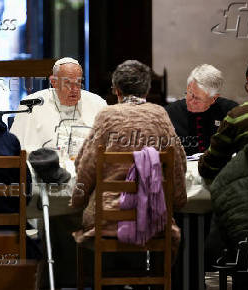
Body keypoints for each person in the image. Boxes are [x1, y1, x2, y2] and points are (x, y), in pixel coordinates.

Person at [70, 60, 187, 280]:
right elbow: (178, 165)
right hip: (153, 219)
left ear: (116, 89)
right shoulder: (160, 115)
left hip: (106, 219)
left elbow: (85, 165)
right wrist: (177, 202)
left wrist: (78, 201)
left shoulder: (107, 116)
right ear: (147, 89)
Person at [10, 57, 107, 152]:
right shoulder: (32, 104)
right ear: (54, 82)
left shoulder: (97, 103)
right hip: (45, 166)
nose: (75, 89)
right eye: (68, 83)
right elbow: (14, 148)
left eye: (78, 82)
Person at [165, 64, 238, 156]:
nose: (191, 101)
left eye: (198, 99)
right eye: (189, 93)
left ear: (214, 98)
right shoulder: (169, 113)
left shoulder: (230, 112)